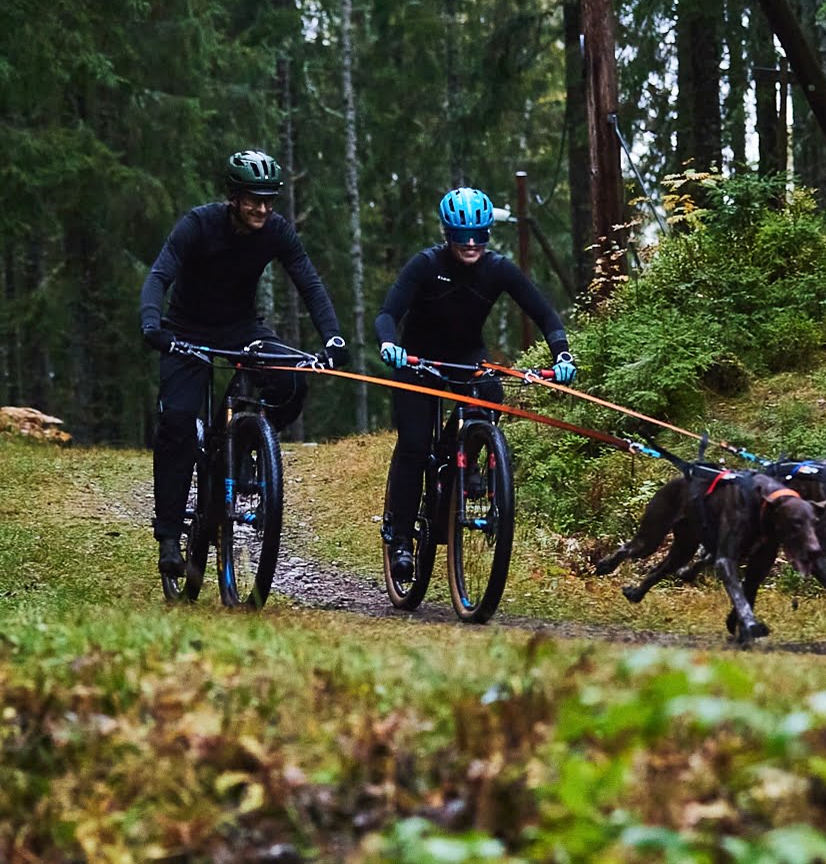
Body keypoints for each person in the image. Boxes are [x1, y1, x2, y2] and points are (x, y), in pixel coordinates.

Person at [140, 149, 348, 577]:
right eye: (253, 199)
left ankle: (247, 445)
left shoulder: (276, 231)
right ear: (233, 197)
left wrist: (333, 338)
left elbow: (308, 281)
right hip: (186, 332)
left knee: (291, 382)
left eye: (269, 200)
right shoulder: (199, 224)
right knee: (178, 423)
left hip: (241, 330)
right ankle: (168, 537)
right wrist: (151, 325)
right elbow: (160, 275)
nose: (262, 208)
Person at [375, 186, 576, 580]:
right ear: (447, 234)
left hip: (467, 358)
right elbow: (387, 313)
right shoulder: (424, 264)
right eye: (462, 236)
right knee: (415, 445)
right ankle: (400, 538)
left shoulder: (499, 268)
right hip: (417, 360)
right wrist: (389, 345)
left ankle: (465, 465)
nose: (471, 244)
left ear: (487, 233)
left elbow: (546, 315)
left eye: (479, 235)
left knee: (491, 393)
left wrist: (562, 354)